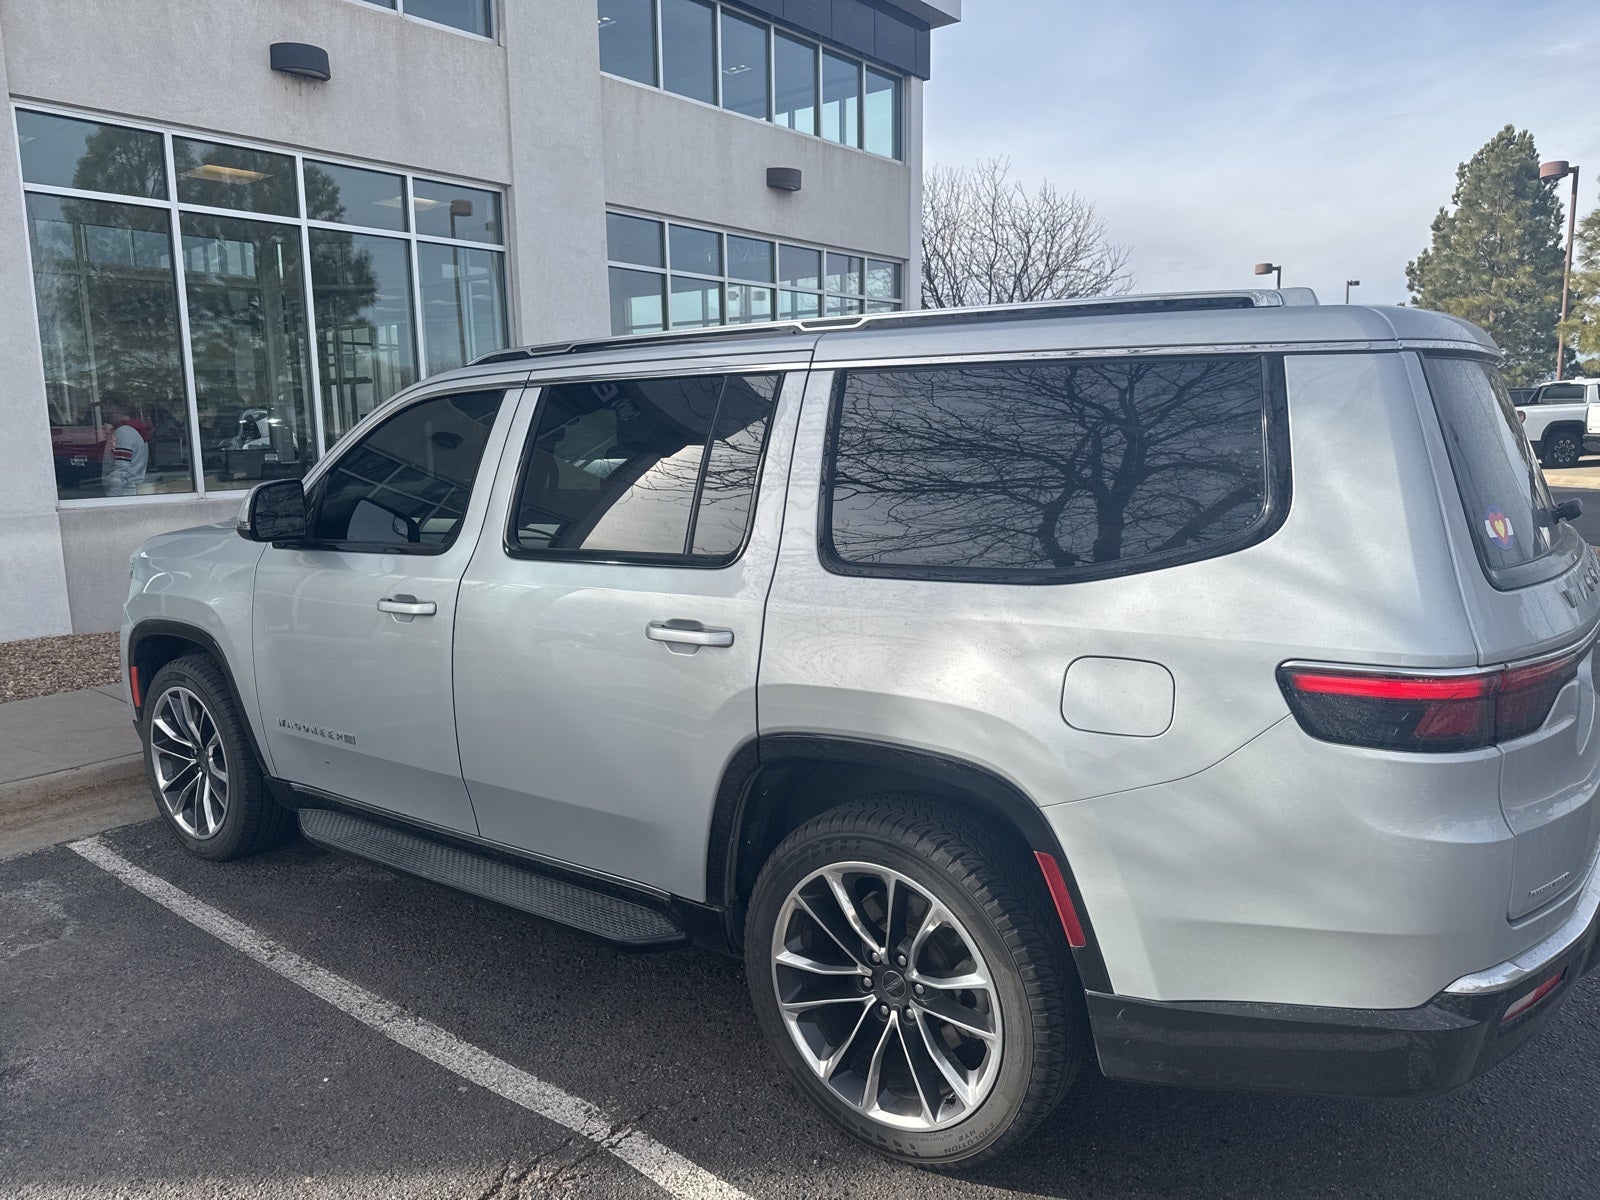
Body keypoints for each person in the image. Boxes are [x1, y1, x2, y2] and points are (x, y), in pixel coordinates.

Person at [100, 397, 149, 497]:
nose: (104, 410)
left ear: (120, 409)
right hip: (130, 489)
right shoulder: (133, 430)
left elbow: (121, 469)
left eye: (109, 406)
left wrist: (114, 495)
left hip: (123, 492)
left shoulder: (123, 432)